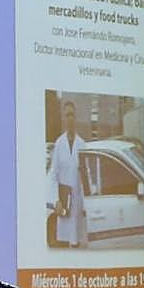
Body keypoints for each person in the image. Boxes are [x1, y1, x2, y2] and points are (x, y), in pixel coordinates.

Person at [49, 101, 88, 248]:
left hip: (78, 204)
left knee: (77, 243)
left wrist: (87, 205)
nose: (70, 118)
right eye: (67, 115)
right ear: (63, 119)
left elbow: (86, 178)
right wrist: (56, 201)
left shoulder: (82, 145)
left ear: (75, 118)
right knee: (64, 243)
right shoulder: (59, 144)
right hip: (64, 204)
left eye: (72, 115)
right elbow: (53, 175)